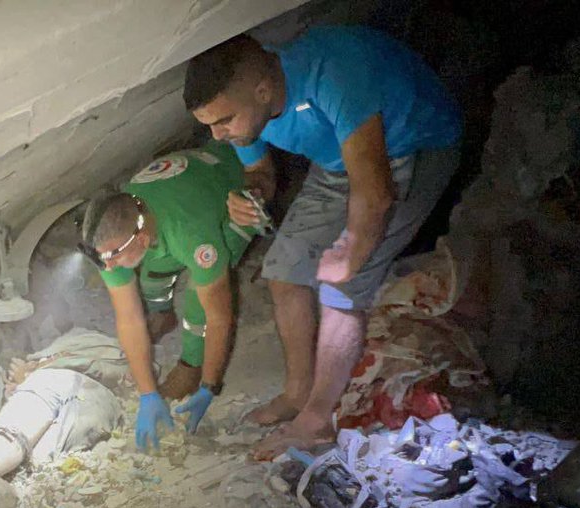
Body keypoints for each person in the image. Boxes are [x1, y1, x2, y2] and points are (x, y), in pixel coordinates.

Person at [183, 26, 461, 460]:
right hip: (337, 162)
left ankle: (315, 422)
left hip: (414, 145)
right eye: (209, 126)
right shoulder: (247, 110)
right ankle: (297, 394)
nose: (217, 136)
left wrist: (349, 254)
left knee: (342, 289)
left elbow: (375, 192)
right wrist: (250, 194)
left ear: (261, 91)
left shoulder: (333, 73)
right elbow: (261, 175)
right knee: (282, 272)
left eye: (223, 121)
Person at [83, 142, 262, 450]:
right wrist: (147, 393)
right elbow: (128, 317)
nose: (108, 267)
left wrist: (210, 385)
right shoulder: (113, 237)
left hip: (237, 195)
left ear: (141, 238)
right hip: (182, 191)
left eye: (114, 257)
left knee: (198, 301)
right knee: (151, 277)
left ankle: (189, 367)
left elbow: (220, 316)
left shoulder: (191, 234)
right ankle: (163, 316)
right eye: (104, 260)